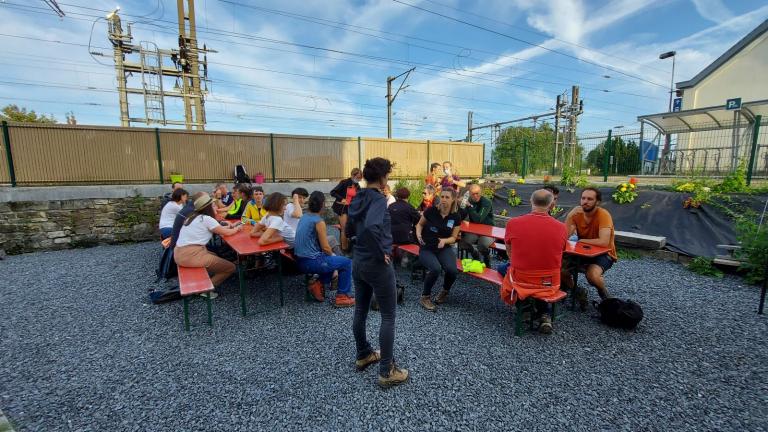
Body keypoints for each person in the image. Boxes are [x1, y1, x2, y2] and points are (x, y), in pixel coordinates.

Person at [347, 157, 408, 388]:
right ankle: (387, 371)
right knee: (388, 316)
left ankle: (363, 354)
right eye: (388, 175)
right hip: (376, 263)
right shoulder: (379, 199)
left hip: (358, 260)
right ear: (383, 177)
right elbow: (373, 226)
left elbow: (350, 227)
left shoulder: (358, 196)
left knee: (361, 309)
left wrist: (360, 245)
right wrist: (381, 250)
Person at [501, 189, 567, 334]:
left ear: (531, 202)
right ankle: (545, 314)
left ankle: (523, 308)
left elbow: (509, 251)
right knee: (539, 279)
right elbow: (561, 251)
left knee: (503, 268)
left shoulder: (513, 223)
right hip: (551, 282)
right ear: (551, 205)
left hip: (522, 280)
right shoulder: (562, 228)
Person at [295, 191, 354, 308]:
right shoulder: (318, 221)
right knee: (346, 263)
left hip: (299, 260)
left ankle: (318, 284)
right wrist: (334, 256)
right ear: (322, 205)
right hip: (311, 262)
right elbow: (326, 247)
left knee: (331, 261)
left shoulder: (304, 216)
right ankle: (342, 296)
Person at [174, 193, 242, 294]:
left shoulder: (192, 217)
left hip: (179, 253)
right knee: (230, 267)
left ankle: (207, 278)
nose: (215, 206)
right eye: (213, 205)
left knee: (214, 255)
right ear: (208, 207)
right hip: (190, 256)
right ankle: (204, 290)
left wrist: (231, 227)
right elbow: (226, 233)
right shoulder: (207, 219)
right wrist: (238, 228)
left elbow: (218, 229)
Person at [562, 187, 617, 307]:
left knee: (592, 275)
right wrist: (570, 216)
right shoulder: (576, 214)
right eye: (583, 198)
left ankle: (604, 294)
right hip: (583, 252)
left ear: (597, 202)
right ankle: (577, 292)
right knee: (559, 269)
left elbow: (604, 242)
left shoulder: (603, 214)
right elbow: (564, 237)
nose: (585, 202)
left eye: (590, 199)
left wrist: (581, 240)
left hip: (604, 253)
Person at [415, 188, 462, 311]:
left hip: (443, 248)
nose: (444, 200)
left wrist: (444, 241)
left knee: (452, 270)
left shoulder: (455, 217)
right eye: (442, 197)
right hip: (427, 247)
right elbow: (419, 224)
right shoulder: (431, 211)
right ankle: (425, 297)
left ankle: (444, 292)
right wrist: (419, 235)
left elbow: (453, 237)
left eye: (447, 197)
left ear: (453, 200)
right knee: (435, 269)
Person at [458, 183, 495, 267]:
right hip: (474, 230)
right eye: (473, 194)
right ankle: (475, 254)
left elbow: (478, 219)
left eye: (477, 193)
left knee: (481, 245)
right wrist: (461, 206)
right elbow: (461, 217)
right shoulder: (469, 201)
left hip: (487, 230)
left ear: (481, 192)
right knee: (463, 243)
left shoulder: (486, 202)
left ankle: (486, 257)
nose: (475, 196)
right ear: (470, 194)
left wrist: (469, 206)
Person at [331, 168, 363, 251]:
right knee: (344, 228)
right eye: (358, 177)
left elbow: (359, 197)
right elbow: (333, 192)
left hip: (351, 208)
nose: (359, 179)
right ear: (353, 175)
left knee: (349, 228)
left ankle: (347, 245)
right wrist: (342, 199)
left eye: (360, 178)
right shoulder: (344, 182)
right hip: (342, 208)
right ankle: (344, 249)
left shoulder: (357, 186)